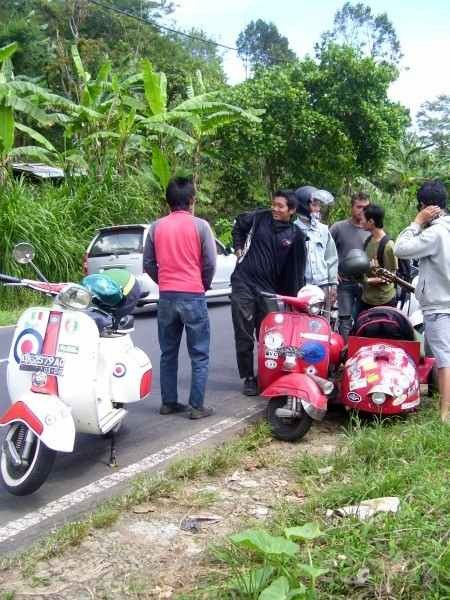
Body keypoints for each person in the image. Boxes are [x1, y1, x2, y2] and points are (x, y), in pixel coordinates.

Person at [143, 176, 217, 419]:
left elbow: (149, 263)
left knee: (168, 352)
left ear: (168, 201)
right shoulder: (201, 226)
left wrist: (164, 281)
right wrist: (202, 284)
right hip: (193, 294)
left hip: (166, 296)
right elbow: (209, 262)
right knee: (199, 353)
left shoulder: (156, 227)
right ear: (192, 200)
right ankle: (196, 406)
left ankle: (169, 402)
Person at [231, 190, 306, 396]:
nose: (275, 209)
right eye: (274, 204)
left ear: (291, 210)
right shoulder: (258, 218)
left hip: (269, 291)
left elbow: (297, 270)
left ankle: (267, 373)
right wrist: (238, 249)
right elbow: (238, 225)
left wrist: (297, 299)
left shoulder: (296, 235)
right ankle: (248, 377)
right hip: (243, 283)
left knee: (270, 336)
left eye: (280, 206)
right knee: (243, 332)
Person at [394, 180, 450, 422]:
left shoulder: (434, 233)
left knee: (445, 359)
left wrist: (417, 222)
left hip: (440, 305)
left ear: (425, 206)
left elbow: (401, 248)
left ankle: (445, 414)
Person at [330, 192, 370, 340]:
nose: (362, 210)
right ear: (352, 207)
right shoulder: (338, 228)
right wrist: (333, 272)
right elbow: (326, 252)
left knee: (364, 319)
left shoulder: (370, 230)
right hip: (344, 282)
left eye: (366, 207)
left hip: (365, 284)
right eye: (359, 207)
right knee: (345, 320)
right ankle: (345, 355)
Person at [294, 186, 338, 307]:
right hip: (301, 288)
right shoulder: (292, 231)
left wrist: (333, 284)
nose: (318, 209)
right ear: (303, 206)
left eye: (319, 205)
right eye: (314, 205)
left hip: (323, 286)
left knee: (323, 323)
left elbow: (331, 258)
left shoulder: (323, 230)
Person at [358, 203, 398, 313]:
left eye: (363, 219)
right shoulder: (368, 241)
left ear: (371, 222)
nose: (360, 222)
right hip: (366, 299)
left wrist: (367, 281)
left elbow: (391, 277)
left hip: (383, 301)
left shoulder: (388, 245)